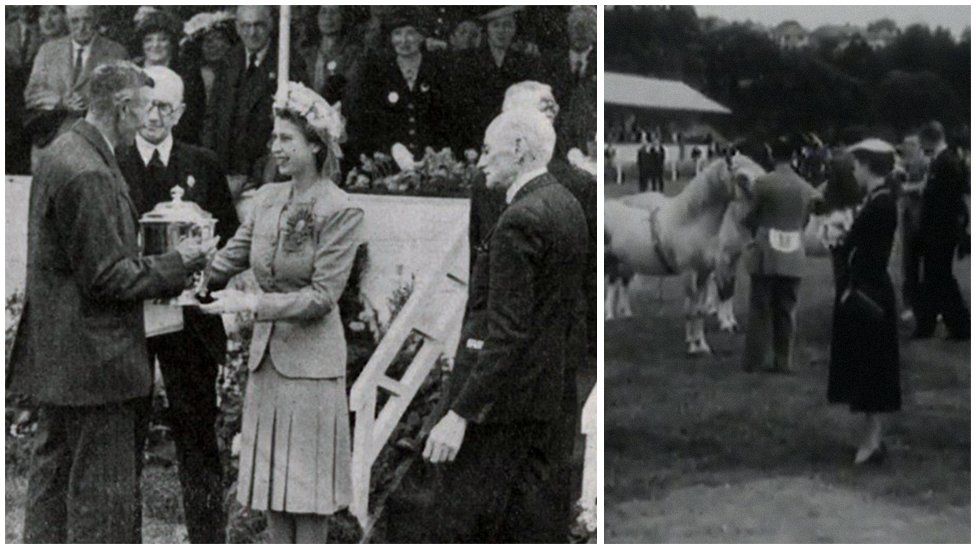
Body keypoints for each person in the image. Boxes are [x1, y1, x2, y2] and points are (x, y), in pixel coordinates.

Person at [8, 61, 217, 543]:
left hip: (64, 361)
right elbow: (108, 276)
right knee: (101, 509)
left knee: (53, 493)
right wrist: (178, 261)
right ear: (122, 109)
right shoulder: (90, 171)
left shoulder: (67, 152)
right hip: (97, 366)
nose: (148, 120)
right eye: (144, 109)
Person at [386, 108, 587, 542]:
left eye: (488, 150)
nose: (480, 161)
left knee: (465, 523)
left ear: (517, 150)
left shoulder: (520, 219)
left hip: (501, 407)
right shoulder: (566, 205)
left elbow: (506, 332)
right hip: (546, 399)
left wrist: (460, 412)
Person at [199, 81, 364, 544]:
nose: (276, 148)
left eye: (286, 139)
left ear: (315, 144)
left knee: (308, 502)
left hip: (311, 371)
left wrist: (253, 303)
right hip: (268, 368)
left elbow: (322, 297)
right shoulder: (268, 198)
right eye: (274, 139)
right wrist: (187, 277)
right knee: (272, 496)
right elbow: (229, 257)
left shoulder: (341, 209)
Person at [115, 65, 238, 543]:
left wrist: (209, 274)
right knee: (126, 436)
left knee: (198, 436)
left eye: (165, 106)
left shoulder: (201, 163)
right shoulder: (114, 159)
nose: (154, 115)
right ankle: (124, 537)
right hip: (130, 319)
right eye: (147, 104)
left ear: (181, 111)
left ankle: (207, 536)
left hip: (190, 323)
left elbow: (225, 232)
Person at [826, 139, 901, 465]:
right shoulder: (879, 200)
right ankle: (872, 437)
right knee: (869, 366)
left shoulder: (880, 204)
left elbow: (864, 252)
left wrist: (840, 242)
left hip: (868, 290)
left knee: (871, 368)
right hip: (870, 289)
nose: (854, 172)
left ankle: (871, 442)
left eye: (856, 165)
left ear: (869, 165)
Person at [202, 5, 308, 198]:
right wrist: (212, 171)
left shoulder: (288, 63)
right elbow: (212, 118)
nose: (252, 32)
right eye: (245, 26)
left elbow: (294, 126)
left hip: (263, 180)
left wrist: (252, 176)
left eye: (258, 25)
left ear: (271, 25)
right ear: (237, 27)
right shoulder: (229, 60)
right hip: (224, 177)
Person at [741, 136, 821, 373]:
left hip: (767, 249)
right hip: (794, 248)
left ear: (771, 155)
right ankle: (783, 360)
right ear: (795, 157)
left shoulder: (763, 183)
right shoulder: (805, 187)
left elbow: (751, 216)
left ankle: (754, 361)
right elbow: (806, 218)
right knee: (787, 308)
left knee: (760, 307)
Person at [23, 5, 128, 165]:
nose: (81, 27)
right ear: (66, 20)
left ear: (96, 19)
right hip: (51, 142)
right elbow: (32, 94)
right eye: (75, 21)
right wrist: (60, 102)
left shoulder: (115, 52)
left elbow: (125, 96)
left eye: (87, 20)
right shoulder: (48, 51)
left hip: (96, 145)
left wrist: (93, 102)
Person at [347, 7, 451, 161]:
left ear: (421, 36)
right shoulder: (378, 73)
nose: (404, 40)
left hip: (432, 161)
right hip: (391, 162)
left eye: (410, 33)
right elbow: (368, 122)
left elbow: (447, 120)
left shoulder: (437, 69)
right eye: (397, 33)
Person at [455, 6, 542, 151]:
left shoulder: (526, 63)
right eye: (496, 25)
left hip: (513, 142)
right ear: (487, 29)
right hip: (475, 140)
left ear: (514, 29)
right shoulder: (467, 60)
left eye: (507, 25)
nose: (501, 31)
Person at [913, 121, 970, 340]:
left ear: (929, 139)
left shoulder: (945, 163)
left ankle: (958, 325)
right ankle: (940, 324)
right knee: (936, 278)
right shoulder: (944, 161)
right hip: (940, 231)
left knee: (940, 278)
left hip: (940, 232)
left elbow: (945, 201)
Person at [133, 9, 207, 145]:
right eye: (148, 40)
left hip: (179, 144)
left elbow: (194, 120)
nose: (155, 45)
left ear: (172, 43)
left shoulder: (188, 74)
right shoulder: (131, 71)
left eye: (162, 39)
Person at [542, 6, 597, 155]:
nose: (581, 32)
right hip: (555, 147)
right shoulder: (549, 64)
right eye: (576, 26)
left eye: (587, 26)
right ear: (568, 29)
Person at [896, 135, 929, 321]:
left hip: (923, 218)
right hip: (908, 217)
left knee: (925, 261)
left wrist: (906, 187)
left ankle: (926, 303)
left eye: (909, 145)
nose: (905, 149)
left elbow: (925, 186)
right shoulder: (902, 164)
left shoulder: (926, 163)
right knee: (908, 263)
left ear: (917, 146)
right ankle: (909, 303)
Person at [301, 6, 362, 105]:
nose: (328, 17)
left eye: (333, 12)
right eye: (323, 12)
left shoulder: (352, 54)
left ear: (343, 17)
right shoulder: (307, 53)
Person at [180, 10, 238, 105]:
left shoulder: (239, 69)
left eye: (219, 38)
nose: (215, 45)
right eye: (208, 41)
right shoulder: (196, 77)